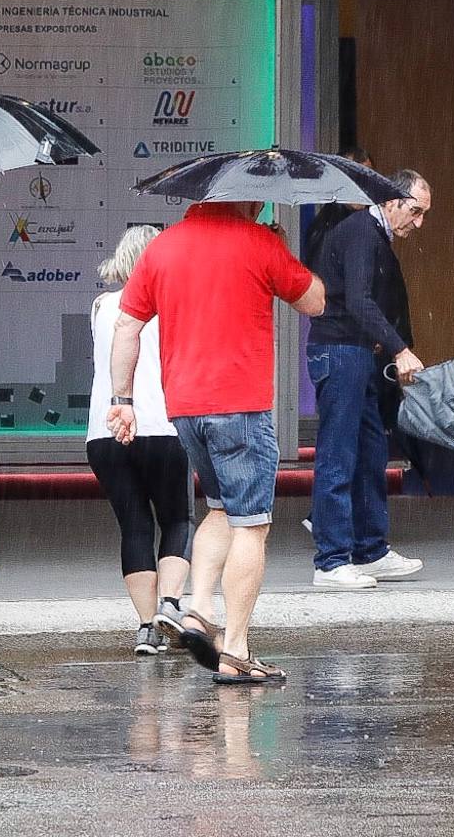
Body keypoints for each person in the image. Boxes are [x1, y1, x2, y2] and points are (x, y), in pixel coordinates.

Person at [109, 202, 325, 685]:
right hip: (241, 405)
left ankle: (197, 609)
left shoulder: (162, 247)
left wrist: (121, 398)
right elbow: (315, 300)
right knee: (251, 526)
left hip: (184, 408)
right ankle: (236, 651)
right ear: (246, 201)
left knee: (221, 510)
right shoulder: (259, 242)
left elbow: (128, 324)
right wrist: (282, 251)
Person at [306, 169, 430, 589]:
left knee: (370, 452)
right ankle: (331, 560)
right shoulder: (361, 231)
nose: (419, 222)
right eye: (415, 211)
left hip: (354, 352)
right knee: (339, 455)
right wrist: (399, 347)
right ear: (392, 200)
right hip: (340, 351)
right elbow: (358, 299)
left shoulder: (369, 232)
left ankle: (370, 550)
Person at [86, 225, 192, 657]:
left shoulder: (100, 306)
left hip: (105, 431)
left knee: (134, 524)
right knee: (178, 519)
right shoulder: (174, 306)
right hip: (163, 426)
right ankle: (169, 603)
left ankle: (146, 628)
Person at [303, 146, 374, 268]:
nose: (362, 186)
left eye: (368, 178)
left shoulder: (370, 222)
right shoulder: (325, 229)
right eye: (355, 179)